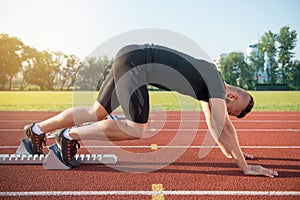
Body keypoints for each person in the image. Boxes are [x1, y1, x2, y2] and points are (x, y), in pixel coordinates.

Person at [24, 44, 278, 177]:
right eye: (232, 108)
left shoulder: (209, 83)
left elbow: (217, 125)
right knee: (136, 129)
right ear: (231, 96)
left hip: (129, 55)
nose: (227, 110)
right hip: (137, 65)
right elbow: (223, 125)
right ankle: (69, 136)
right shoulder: (216, 85)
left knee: (96, 111)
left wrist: (233, 154)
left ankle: (37, 130)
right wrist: (244, 167)